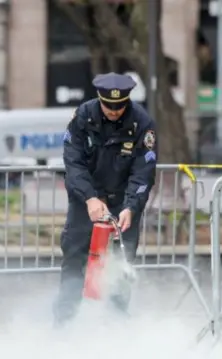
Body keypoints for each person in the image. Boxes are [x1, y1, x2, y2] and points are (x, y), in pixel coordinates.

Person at [55, 72, 158, 326]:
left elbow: (143, 172)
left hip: (123, 203)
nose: (114, 111)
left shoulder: (142, 124)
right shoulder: (83, 117)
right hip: (85, 202)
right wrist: (90, 198)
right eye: (108, 106)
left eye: (119, 106)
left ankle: (115, 326)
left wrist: (131, 208)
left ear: (127, 101)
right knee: (75, 257)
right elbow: (73, 163)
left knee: (121, 264)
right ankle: (64, 323)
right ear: (99, 99)